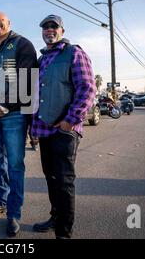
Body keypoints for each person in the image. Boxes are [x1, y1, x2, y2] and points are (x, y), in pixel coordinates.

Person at [31, 15, 96, 239]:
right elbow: (39, 94)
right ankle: (55, 216)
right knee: (50, 178)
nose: (49, 30)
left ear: (61, 30)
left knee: (64, 182)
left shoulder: (74, 53)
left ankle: (63, 233)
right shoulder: (42, 59)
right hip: (45, 129)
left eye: (53, 26)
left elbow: (87, 89)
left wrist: (71, 120)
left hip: (64, 130)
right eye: (45, 26)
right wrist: (33, 127)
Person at [0, 11, 37, 237]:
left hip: (14, 115)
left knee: (14, 164)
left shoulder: (23, 45)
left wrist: (3, 105)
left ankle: (14, 213)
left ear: (9, 23)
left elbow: (27, 81)